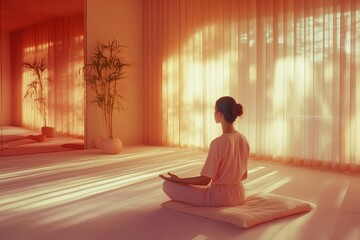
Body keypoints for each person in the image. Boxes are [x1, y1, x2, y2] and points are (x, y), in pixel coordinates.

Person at [159, 96, 250, 207]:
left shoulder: (218, 143)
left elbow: (205, 180)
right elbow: (243, 176)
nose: (214, 113)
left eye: (214, 110)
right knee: (196, 186)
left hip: (219, 198)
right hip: (240, 195)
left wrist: (179, 180)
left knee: (167, 185)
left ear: (220, 114)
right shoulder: (244, 139)